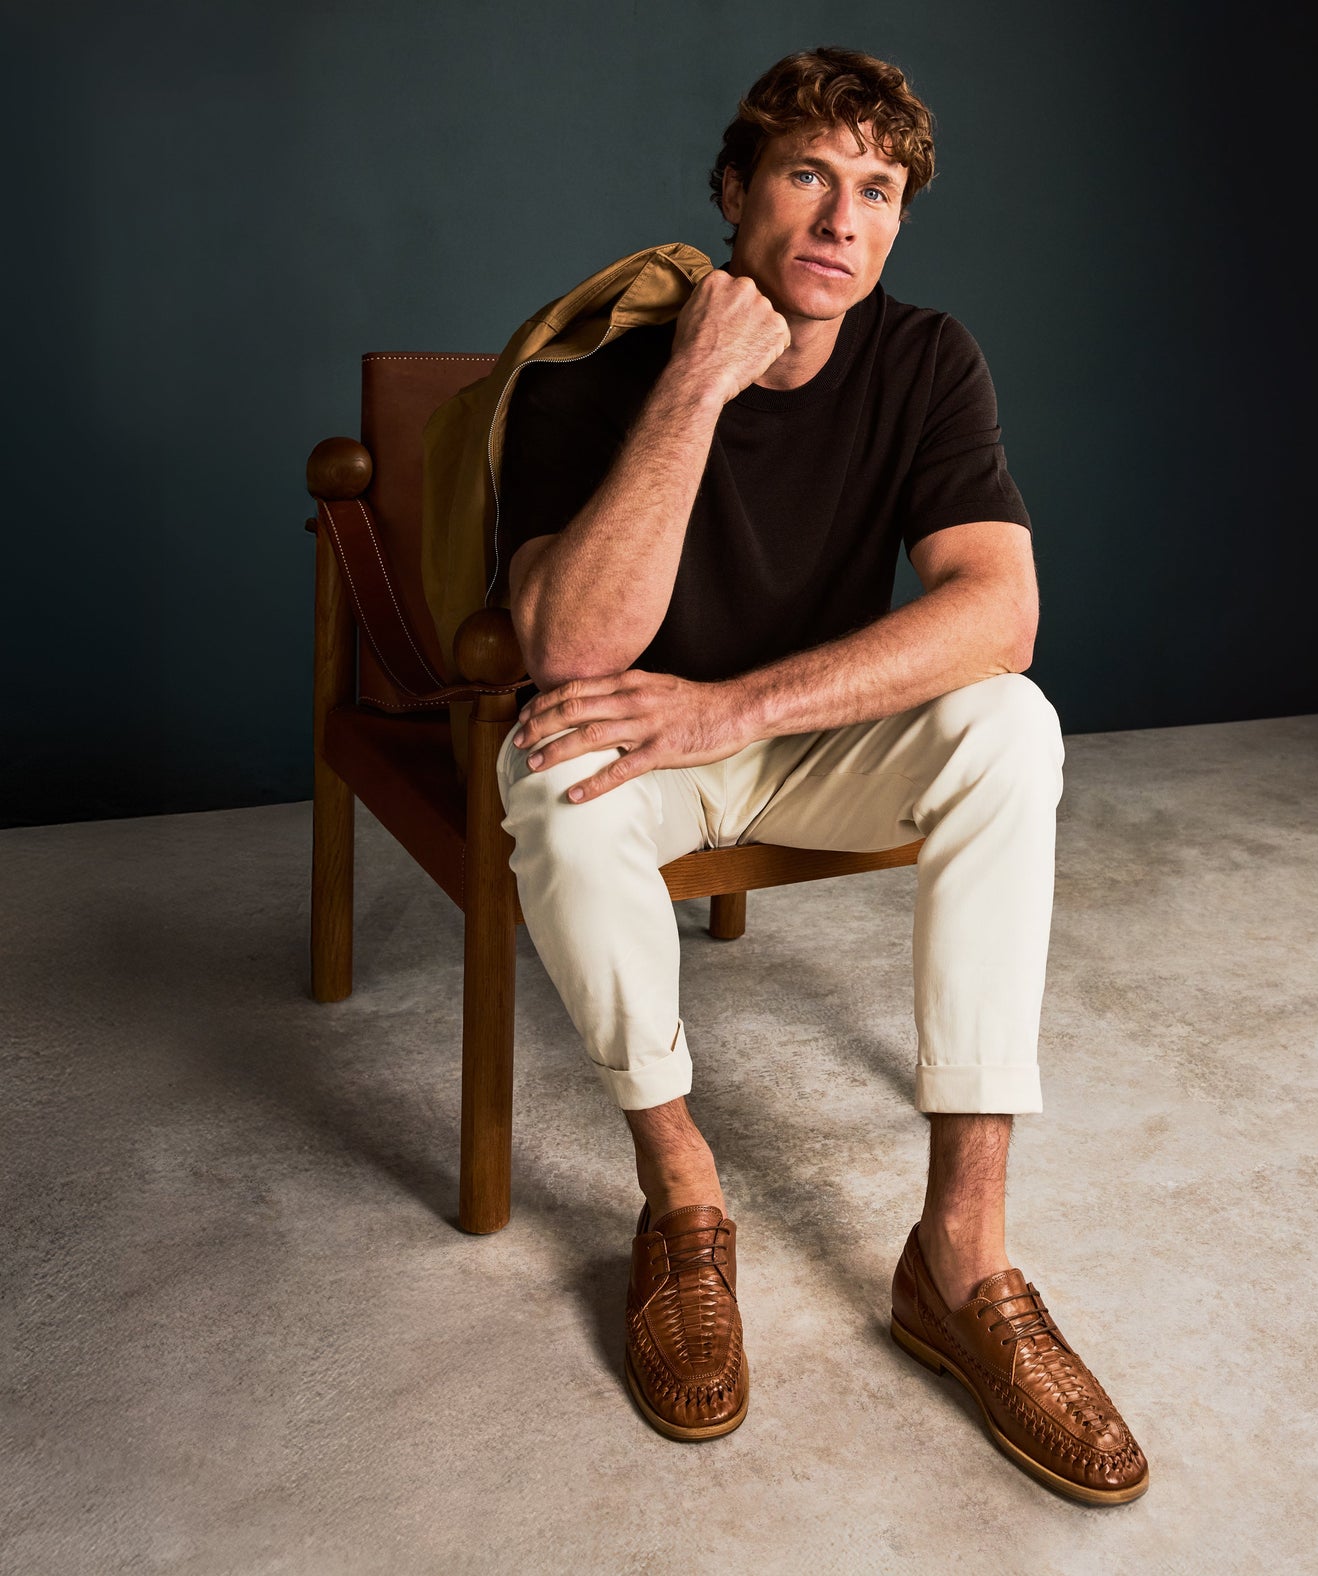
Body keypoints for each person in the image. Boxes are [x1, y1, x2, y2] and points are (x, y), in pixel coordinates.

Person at [491, 46, 1148, 1503]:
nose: (843, 219)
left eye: (878, 189)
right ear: (731, 191)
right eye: (807, 174)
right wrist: (698, 383)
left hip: (780, 730)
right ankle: (681, 1203)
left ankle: (961, 1260)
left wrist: (735, 708)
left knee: (1009, 724)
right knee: (551, 777)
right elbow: (573, 644)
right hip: (640, 742)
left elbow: (999, 612)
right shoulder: (591, 365)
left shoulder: (924, 357)